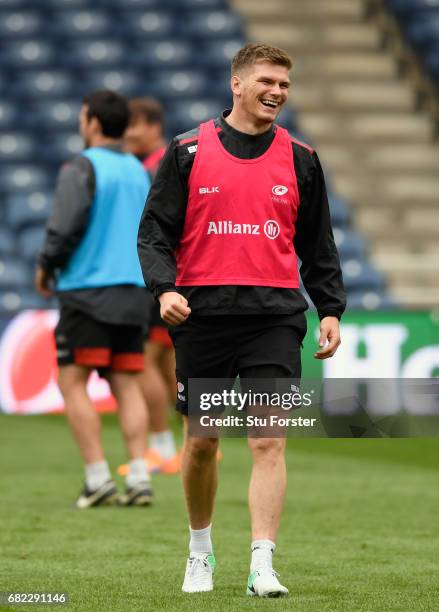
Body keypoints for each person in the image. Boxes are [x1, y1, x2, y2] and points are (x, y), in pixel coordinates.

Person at [138, 43, 346, 597]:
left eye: (285, 83)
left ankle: (262, 564)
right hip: (202, 316)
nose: (277, 91)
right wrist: (164, 291)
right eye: (267, 81)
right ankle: (200, 551)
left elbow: (317, 243)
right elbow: (154, 233)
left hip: (275, 317)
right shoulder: (185, 152)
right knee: (203, 442)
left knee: (267, 441)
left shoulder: (302, 158)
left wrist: (329, 307)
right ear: (237, 84)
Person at [35, 90, 153, 509]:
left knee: (72, 381)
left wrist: (47, 266)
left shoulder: (81, 167)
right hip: (135, 290)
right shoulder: (139, 171)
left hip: (87, 290)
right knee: (125, 381)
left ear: (94, 123)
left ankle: (98, 476)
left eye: (83, 116)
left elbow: (65, 226)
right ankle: (140, 475)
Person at [123, 97, 179, 474]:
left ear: (154, 127)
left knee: (142, 360)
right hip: (173, 274)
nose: (128, 134)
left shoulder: (154, 167)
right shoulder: (161, 163)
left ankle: (161, 448)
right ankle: (196, 439)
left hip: (156, 276)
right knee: (168, 359)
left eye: (135, 126)